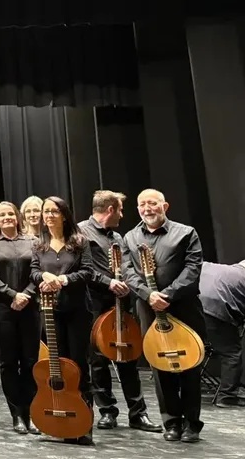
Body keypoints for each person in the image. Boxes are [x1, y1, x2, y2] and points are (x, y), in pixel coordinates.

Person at [122, 189, 205, 443]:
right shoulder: (130, 237)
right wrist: (149, 296)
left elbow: (193, 269)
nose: (147, 209)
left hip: (183, 308)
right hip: (148, 310)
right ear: (138, 209)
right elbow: (127, 271)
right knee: (160, 366)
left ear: (165, 206)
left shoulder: (186, 233)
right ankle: (171, 422)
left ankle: (192, 423)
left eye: (153, 204)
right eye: (142, 205)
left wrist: (166, 295)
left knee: (190, 365)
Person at [78, 191, 160, 433]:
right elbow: (82, 268)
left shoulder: (117, 236)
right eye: (120, 210)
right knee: (98, 360)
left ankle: (138, 413)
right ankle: (107, 412)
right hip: (94, 302)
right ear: (111, 209)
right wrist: (108, 282)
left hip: (121, 303)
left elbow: (126, 266)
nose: (123, 215)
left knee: (128, 356)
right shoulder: (81, 231)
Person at [30, 196, 95, 445]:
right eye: (46, 212)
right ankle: (64, 419)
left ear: (64, 214)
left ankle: (85, 422)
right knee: (57, 365)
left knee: (78, 366)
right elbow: (34, 272)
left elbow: (88, 272)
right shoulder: (39, 244)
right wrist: (44, 275)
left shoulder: (80, 242)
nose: (49, 216)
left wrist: (63, 280)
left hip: (77, 311)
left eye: (54, 211)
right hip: (51, 312)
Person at [0, 201, 39, 434]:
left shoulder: (33, 242)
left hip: (30, 306)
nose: (6, 218)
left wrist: (26, 294)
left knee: (30, 362)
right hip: (2, 309)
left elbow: (39, 270)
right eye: (1, 215)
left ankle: (32, 413)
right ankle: (16, 415)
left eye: (10, 214)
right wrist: (11, 294)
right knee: (9, 362)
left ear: (17, 217)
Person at [200, 260, 245, 408]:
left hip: (189, 305)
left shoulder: (215, 268)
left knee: (191, 348)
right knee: (231, 353)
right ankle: (226, 396)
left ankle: (181, 385)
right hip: (214, 309)